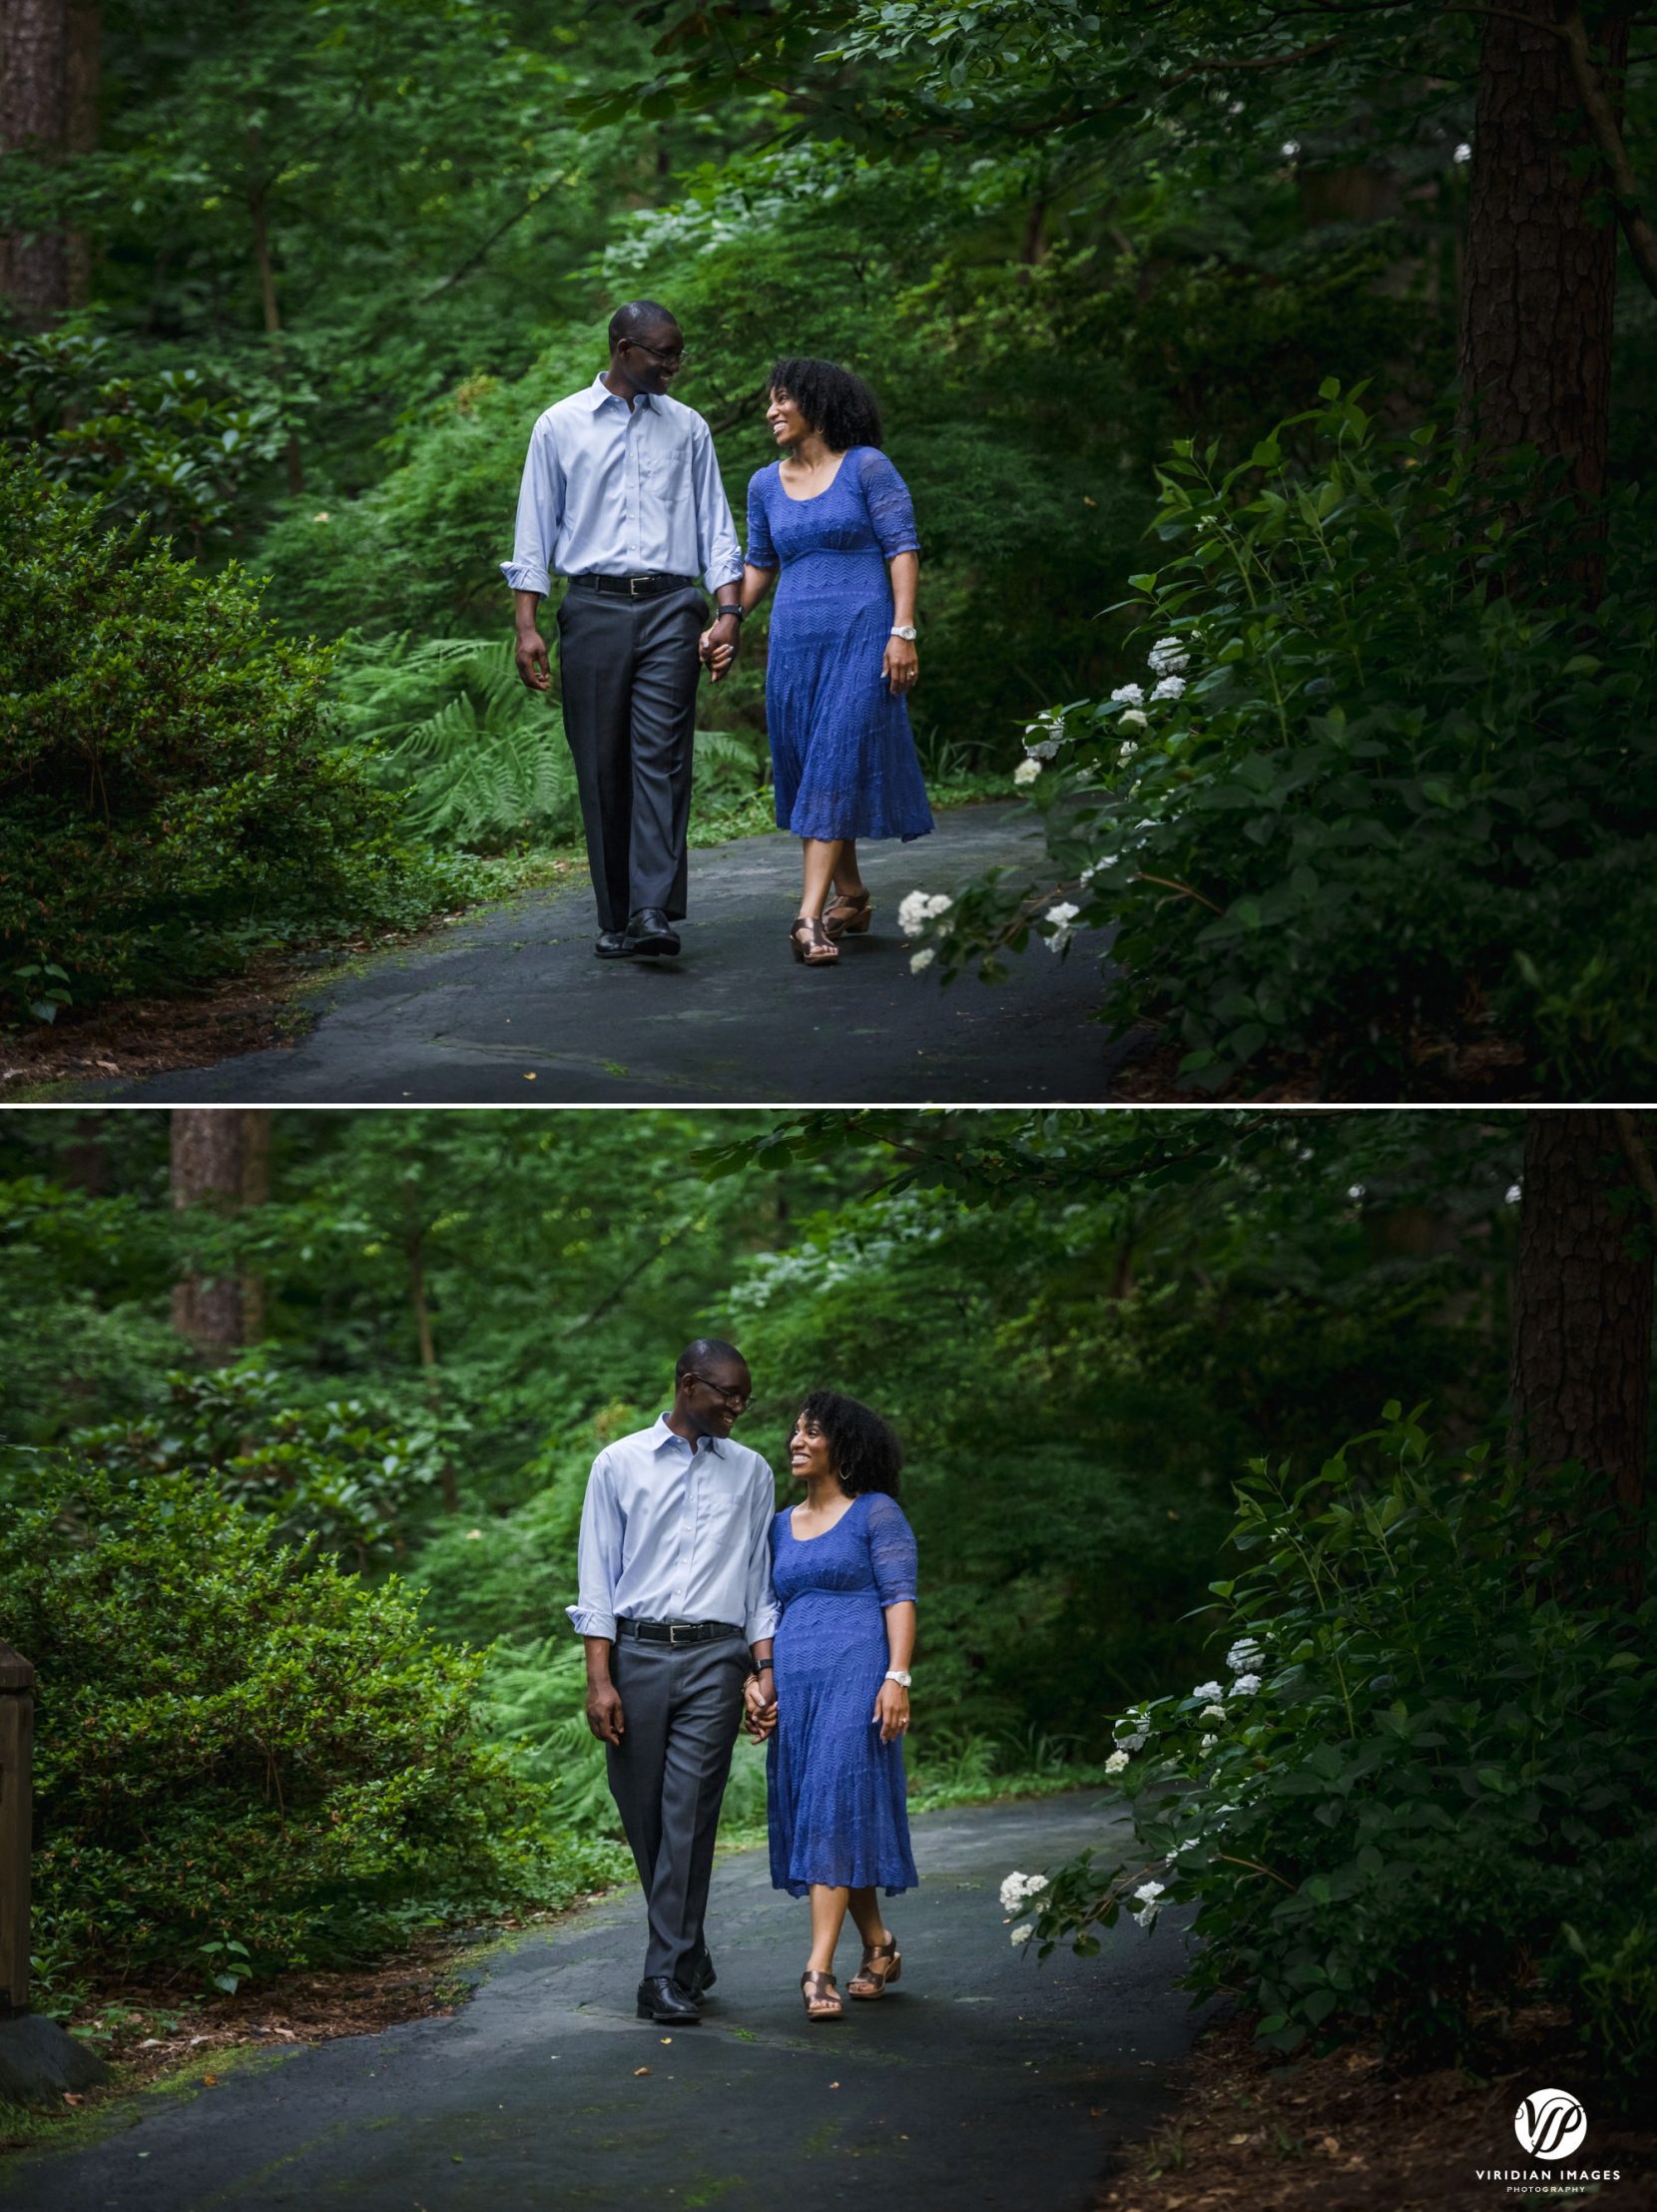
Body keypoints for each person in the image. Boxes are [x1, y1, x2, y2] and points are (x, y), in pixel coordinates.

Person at [504, 301, 746, 962]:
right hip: (592, 609)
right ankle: (615, 914)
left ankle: (649, 911)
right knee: (601, 760)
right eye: (661, 354)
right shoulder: (558, 426)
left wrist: (729, 613)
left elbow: (715, 526)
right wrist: (527, 624)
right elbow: (534, 530)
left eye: (678, 355)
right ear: (621, 348)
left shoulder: (689, 428)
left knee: (662, 760)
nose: (673, 366)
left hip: (673, 607)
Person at [567, 1339, 778, 2025]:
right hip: (636, 1656)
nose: (739, 1407)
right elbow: (597, 1577)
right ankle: (687, 1952)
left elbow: (757, 1583)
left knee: (689, 1816)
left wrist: (764, 1669)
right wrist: (599, 1679)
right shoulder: (618, 1464)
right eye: (728, 1394)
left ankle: (660, 1977)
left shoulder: (752, 1473)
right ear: (690, 1386)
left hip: (718, 1659)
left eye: (744, 1396)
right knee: (644, 1813)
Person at [703, 358, 932, 967]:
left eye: (782, 400)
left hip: (863, 634)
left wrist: (902, 630)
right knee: (812, 766)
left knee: (834, 757)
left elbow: (902, 550)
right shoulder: (763, 484)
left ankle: (807, 918)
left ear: (817, 403)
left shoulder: (866, 468)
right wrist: (728, 619)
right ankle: (851, 895)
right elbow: (759, 564)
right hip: (795, 645)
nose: (771, 411)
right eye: (769, 402)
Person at [754, 1389, 918, 2020]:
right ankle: (878, 1944)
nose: (796, 1440)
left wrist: (897, 1677)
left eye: (811, 1431)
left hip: (858, 1675)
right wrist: (761, 1679)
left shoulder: (876, 1514)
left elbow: (900, 1598)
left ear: (843, 1448)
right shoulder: (777, 1525)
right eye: (794, 1431)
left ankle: (815, 1968)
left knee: (829, 1801)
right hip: (798, 1682)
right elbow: (766, 1608)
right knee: (827, 1812)